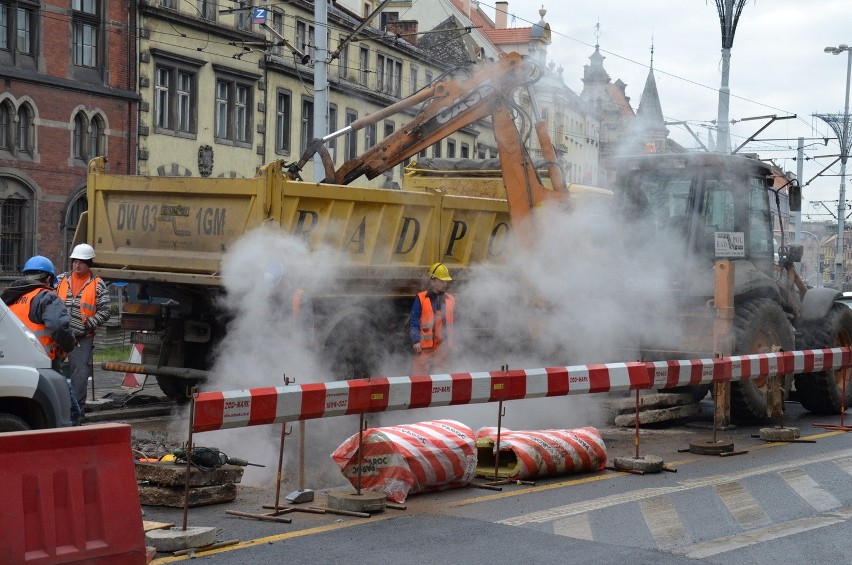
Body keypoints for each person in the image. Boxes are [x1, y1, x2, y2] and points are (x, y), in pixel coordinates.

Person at [1, 256, 82, 425]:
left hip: (14, 362)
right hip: (44, 364)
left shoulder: (10, 298)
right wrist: (69, 345)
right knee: (70, 412)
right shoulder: (47, 297)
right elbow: (59, 327)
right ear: (48, 279)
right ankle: (70, 448)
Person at [55, 243, 112, 411]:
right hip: (58, 336)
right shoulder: (60, 280)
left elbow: (106, 311)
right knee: (51, 369)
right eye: (75, 261)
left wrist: (88, 324)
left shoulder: (98, 284)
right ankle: (57, 406)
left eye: (82, 262)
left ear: (89, 264)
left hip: (82, 339)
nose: (77, 265)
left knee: (79, 376)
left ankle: (77, 411)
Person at [409, 262, 455, 375]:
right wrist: (416, 341)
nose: (444, 284)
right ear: (433, 281)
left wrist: (455, 342)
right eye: (441, 281)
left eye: (446, 281)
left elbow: (455, 322)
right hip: (425, 346)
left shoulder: (451, 299)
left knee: (442, 376)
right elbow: (414, 320)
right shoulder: (421, 298)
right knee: (419, 375)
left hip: (443, 346)